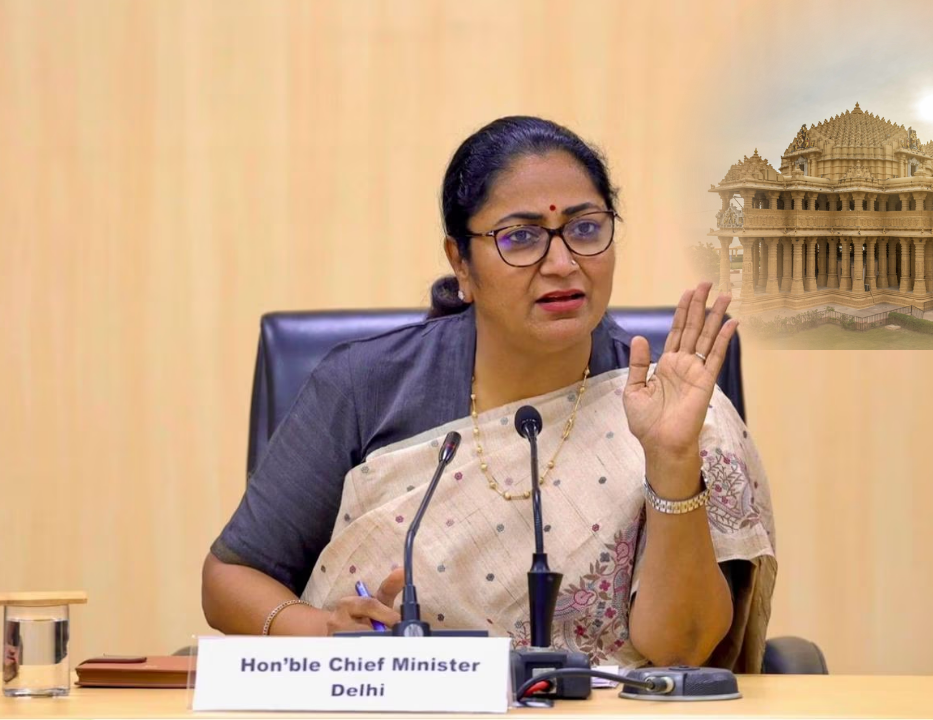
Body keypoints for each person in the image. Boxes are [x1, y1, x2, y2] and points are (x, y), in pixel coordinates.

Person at [202, 116, 775, 670]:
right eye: (520, 237)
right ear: (462, 264)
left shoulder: (671, 404)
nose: (562, 262)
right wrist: (321, 632)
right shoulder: (363, 386)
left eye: (585, 228)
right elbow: (230, 576)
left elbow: (683, 650)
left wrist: (672, 459)